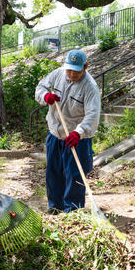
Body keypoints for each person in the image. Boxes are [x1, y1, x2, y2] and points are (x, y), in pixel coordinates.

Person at [35, 49, 101, 214]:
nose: (71, 74)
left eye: (76, 71)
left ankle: (72, 211)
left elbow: (92, 115)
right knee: (54, 172)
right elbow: (41, 86)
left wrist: (78, 132)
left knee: (74, 175)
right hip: (55, 133)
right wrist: (45, 96)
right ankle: (55, 207)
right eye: (69, 69)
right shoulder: (58, 74)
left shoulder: (90, 87)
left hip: (76, 137)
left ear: (85, 67)